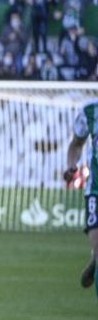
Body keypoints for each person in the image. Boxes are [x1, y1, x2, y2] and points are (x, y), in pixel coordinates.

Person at [65, 98, 98, 294]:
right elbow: (76, 144)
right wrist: (71, 166)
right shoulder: (89, 111)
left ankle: (95, 259)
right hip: (96, 191)